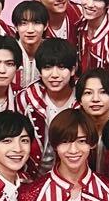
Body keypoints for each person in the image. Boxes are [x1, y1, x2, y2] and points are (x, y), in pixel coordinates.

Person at [15, 38, 77, 171]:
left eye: (61, 67)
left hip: (73, 172)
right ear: (39, 70)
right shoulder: (26, 98)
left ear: (73, 70)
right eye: (47, 67)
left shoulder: (83, 98)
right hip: (33, 173)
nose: (54, 75)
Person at [75, 67, 109, 180]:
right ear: (80, 100)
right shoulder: (72, 124)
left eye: (103, 92)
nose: (95, 99)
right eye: (88, 93)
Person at [10, 0, 48, 88]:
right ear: (15, 27)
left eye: (36, 23)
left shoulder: (53, 50)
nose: (30, 30)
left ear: (46, 25)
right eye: (24, 23)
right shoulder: (8, 50)